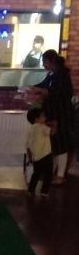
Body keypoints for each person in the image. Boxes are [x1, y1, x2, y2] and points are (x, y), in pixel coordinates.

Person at [38, 51, 74, 184]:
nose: (43, 65)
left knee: (61, 145)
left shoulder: (62, 75)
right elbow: (43, 85)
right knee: (53, 144)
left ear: (51, 61)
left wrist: (42, 91)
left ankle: (60, 175)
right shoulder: (51, 74)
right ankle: (51, 173)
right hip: (52, 113)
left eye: (45, 62)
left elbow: (56, 93)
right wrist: (32, 88)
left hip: (61, 114)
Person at [26, 107, 54, 198]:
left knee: (36, 174)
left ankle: (31, 190)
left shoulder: (31, 128)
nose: (45, 117)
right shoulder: (42, 127)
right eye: (43, 116)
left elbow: (28, 144)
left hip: (36, 156)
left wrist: (30, 156)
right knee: (48, 174)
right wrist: (54, 125)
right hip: (46, 154)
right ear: (36, 119)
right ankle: (44, 192)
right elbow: (52, 133)